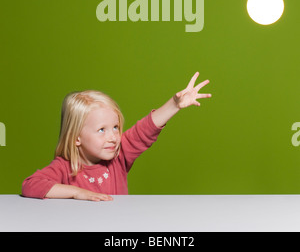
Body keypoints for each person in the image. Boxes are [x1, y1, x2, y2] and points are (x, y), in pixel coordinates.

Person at [22, 71, 211, 201]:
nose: (112, 137)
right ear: (76, 137)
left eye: (115, 127)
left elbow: (144, 130)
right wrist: (77, 193)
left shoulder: (119, 155)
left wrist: (174, 105)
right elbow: (30, 185)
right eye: (102, 130)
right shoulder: (64, 167)